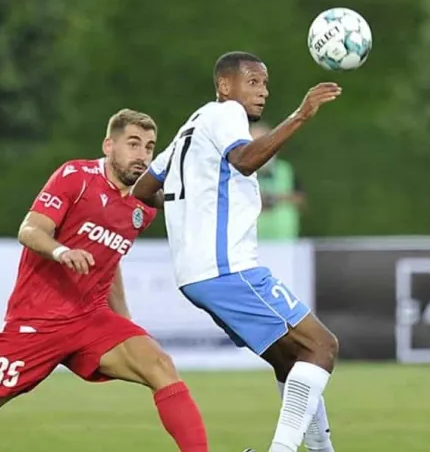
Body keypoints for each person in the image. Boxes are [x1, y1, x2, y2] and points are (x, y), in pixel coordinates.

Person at [0, 109, 210, 452]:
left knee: (160, 366)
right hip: (37, 323)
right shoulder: (76, 177)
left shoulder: (143, 207)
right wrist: (61, 251)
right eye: (133, 144)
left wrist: (124, 320)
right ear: (109, 146)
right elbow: (29, 229)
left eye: (149, 147)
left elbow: (109, 261)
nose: (142, 155)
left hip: (90, 319)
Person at [132, 51, 340, 452]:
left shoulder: (192, 125)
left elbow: (143, 188)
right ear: (225, 86)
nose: (263, 92)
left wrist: (189, 202)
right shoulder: (227, 113)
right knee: (322, 346)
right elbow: (244, 160)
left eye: (265, 84)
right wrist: (300, 115)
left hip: (196, 275)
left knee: (291, 360)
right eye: (253, 82)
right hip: (226, 267)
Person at [251, 122, 307, 241]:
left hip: (284, 241)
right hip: (249, 243)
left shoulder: (285, 170)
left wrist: (276, 198)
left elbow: (301, 200)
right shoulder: (236, 173)